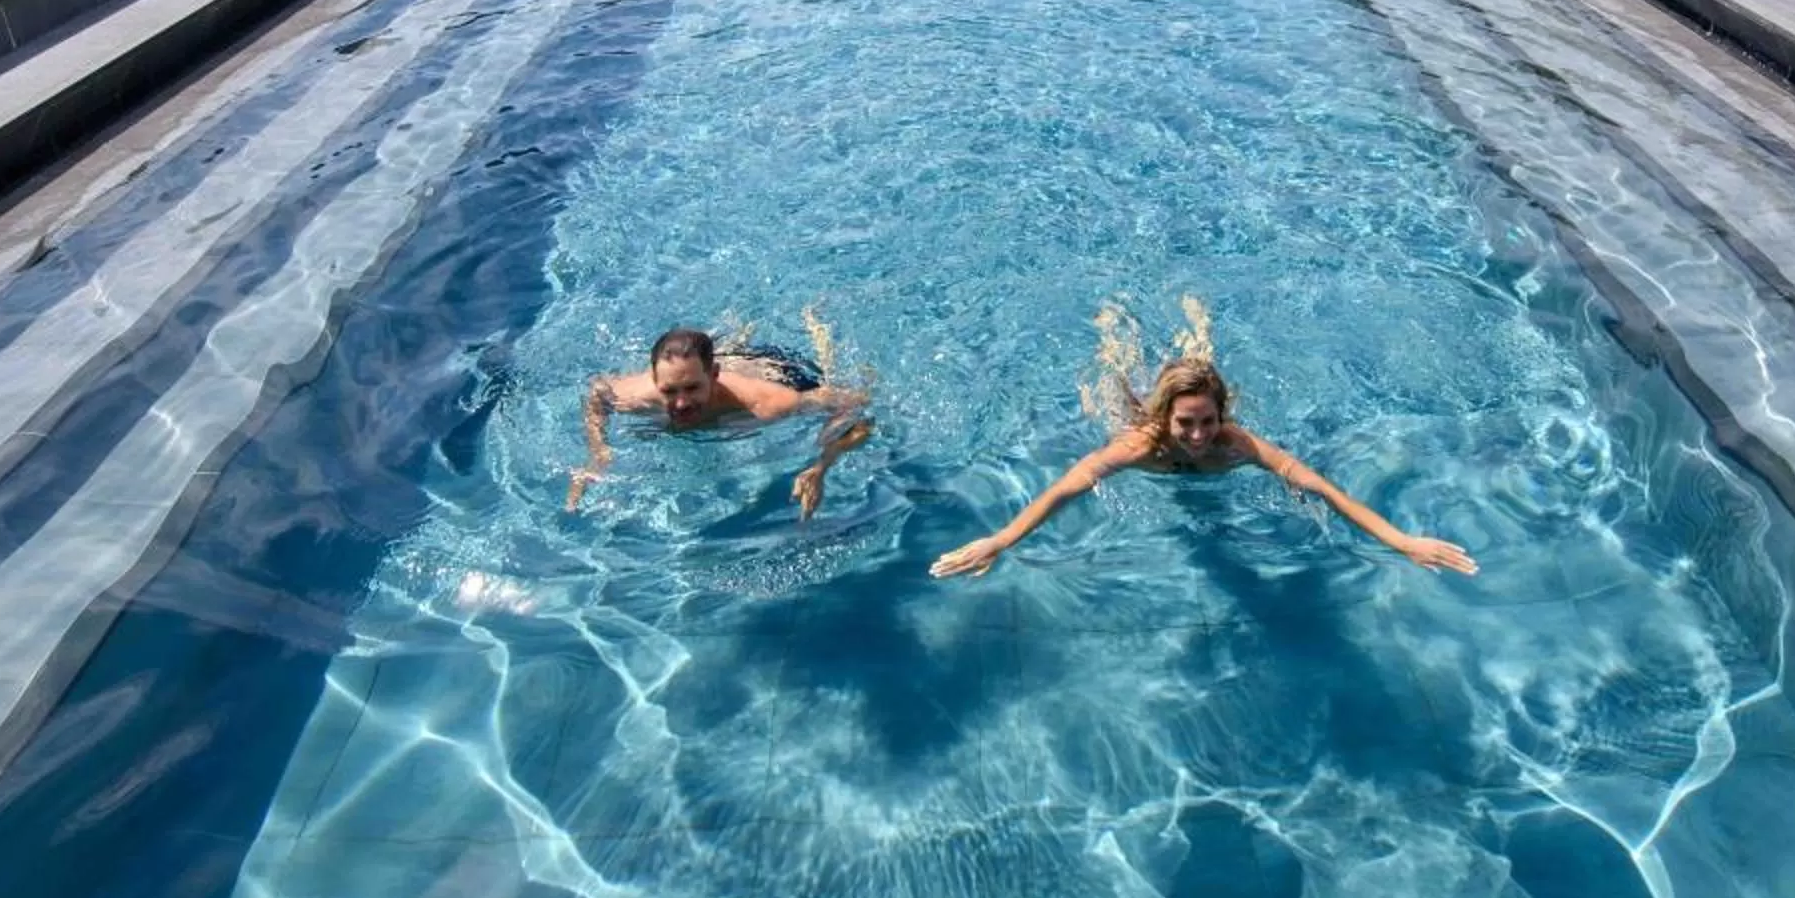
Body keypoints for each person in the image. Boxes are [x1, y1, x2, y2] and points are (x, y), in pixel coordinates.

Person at [930, 356, 1476, 578]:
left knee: (1198, 369)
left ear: (1223, 416)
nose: (1197, 436)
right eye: (1185, 423)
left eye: (1208, 421)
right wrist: (1000, 541)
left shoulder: (1236, 446)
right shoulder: (1138, 448)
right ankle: (1116, 344)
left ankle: (1195, 340)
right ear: (1165, 418)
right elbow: (1062, 491)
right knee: (1111, 391)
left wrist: (1402, 541)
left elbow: (1325, 490)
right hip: (1134, 416)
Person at [572, 326, 871, 518]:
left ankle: (814, 328)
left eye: (691, 389)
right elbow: (597, 392)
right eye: (669, 391)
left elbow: (856, 402)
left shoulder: (768, 403)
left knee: (826, 375)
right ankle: (729, 339)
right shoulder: (635, 395)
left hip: (773, 370)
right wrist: (597, 451)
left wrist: (821, 466)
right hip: (714, 365)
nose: (680, 403)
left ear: (714, 377)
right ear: (654, 379)